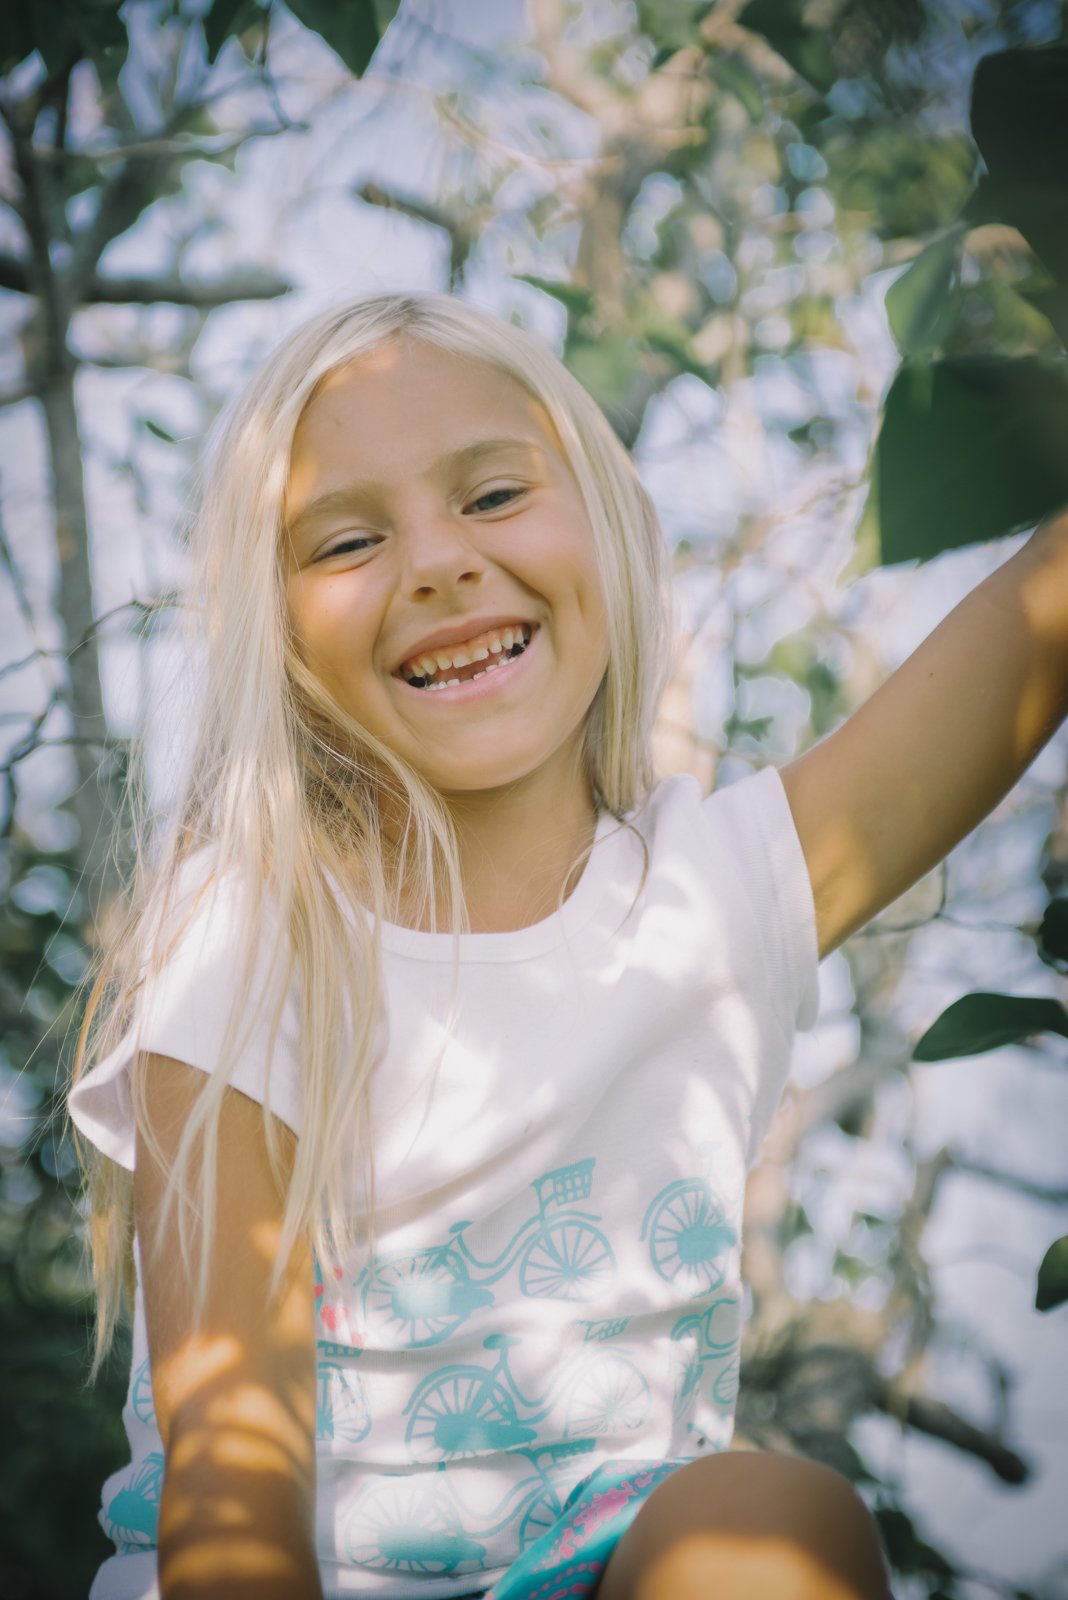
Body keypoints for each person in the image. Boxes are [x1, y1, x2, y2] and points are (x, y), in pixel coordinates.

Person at [68, 291, 1068, 1600]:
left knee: (771, 1517)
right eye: (350, 539)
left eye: (492, 498)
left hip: (612, 1574)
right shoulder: (256, 938)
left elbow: (1030, 639)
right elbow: (230, 1477)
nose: (436, 562)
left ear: (607, 527)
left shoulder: (722, 896)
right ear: (284, 641)